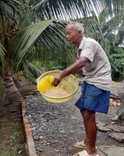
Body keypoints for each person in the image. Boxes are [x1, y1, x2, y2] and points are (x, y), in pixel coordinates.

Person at [52, 22, 111, 156]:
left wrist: (62, 73)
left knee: (88, 114)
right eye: (66, 33)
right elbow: (80, 66)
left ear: (79, 33)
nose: (66, 36)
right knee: (83, 111)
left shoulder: (88, 43)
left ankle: (92, 151)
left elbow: (83, 62)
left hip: (99, 81)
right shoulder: (80, 48)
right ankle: (87, 141)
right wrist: (66, 76)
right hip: (90, 80)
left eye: (69, 33)